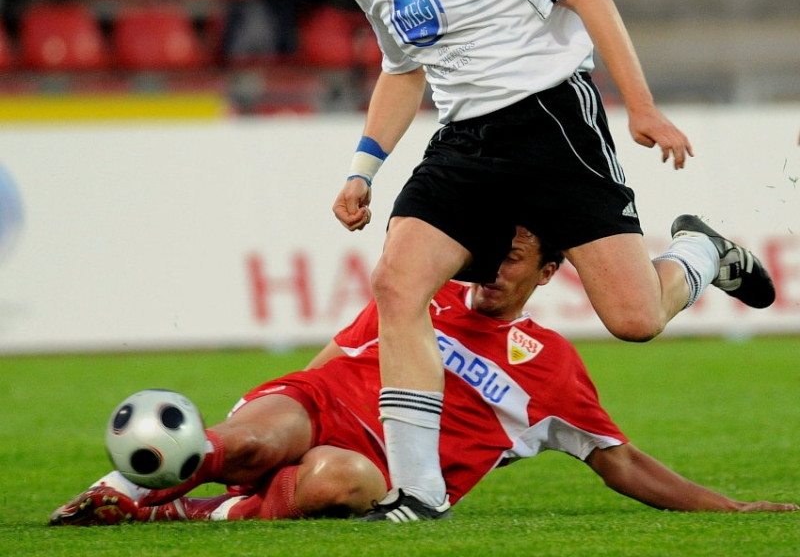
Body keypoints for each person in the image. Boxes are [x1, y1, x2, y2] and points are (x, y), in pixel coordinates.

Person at [274, 0, 778, 520]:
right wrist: (363, 169)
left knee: (634, 319)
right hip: (464, 142)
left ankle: (700, 250)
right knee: (397, 283)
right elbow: (403, 71)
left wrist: (641, 106)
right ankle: (418, 492)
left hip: (551, 122)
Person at [48, 228, 798, 526]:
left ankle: (180, 515)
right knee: (253, 441)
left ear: (547, 272)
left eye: (514, 260)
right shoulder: (423, 292)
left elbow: (621, 462)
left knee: (336, 482)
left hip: (377, 464)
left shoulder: (551, 367)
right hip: (322, 405)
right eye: (489, 252)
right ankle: (125, 486)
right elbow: (328, 363)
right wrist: (276, 408)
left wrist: (730, 508)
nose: (492, 269)